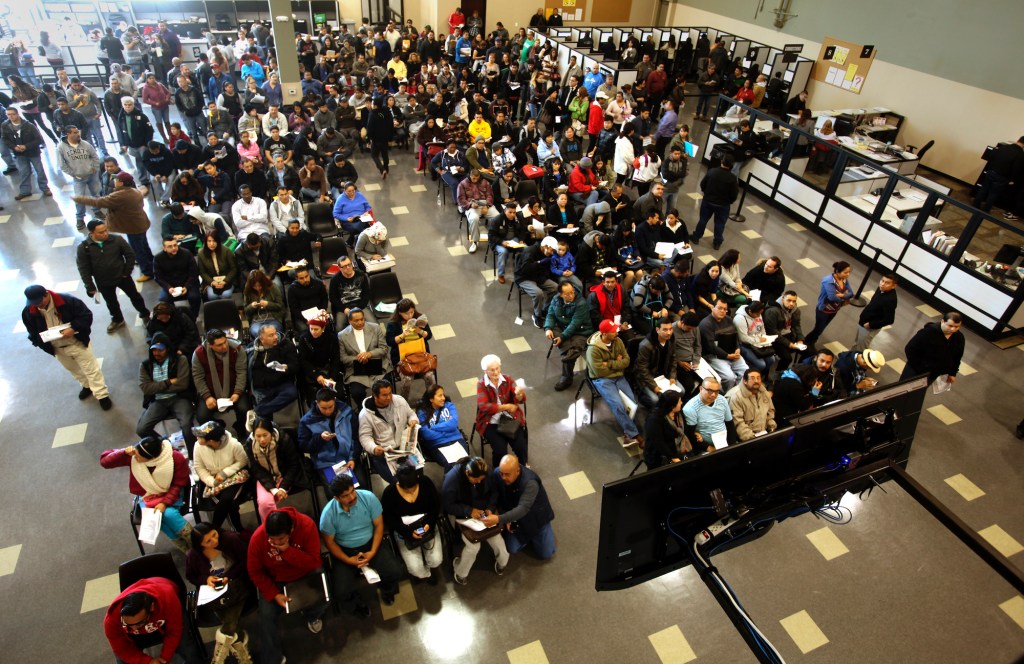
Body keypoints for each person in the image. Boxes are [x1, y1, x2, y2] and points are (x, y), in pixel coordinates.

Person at [247, 508, 329, 663]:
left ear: (291, 530)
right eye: (272, 539)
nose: (276, 543)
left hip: (305, 572)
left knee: (324, 598)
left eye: (281, 539)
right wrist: (274, 594)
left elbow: (314, 561)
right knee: (266, 616)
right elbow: (255, 572)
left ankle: (311, 616)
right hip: (276, 579)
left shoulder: (307, 525)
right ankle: (274, 657)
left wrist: (287, 551)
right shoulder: (258, 538)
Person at [320, 473, 405, 611]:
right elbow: (330, 543)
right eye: (345, 496)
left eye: (352, 491)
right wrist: (348, 560)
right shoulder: (328, 515)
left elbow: (379, 526)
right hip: (345, 549)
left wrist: (372, 552)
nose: (352, 497)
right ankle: (356, 604)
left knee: (395, 571)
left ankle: (387, 590)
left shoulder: (368, 498)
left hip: (370, 543)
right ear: (336, 498)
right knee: (341, 592)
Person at [22, 284, 112, 409]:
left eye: (39, 301)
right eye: (34, 303)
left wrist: (73, 328)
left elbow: (86, 315)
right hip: (57, 348)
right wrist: (40, 342)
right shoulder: (29, 311)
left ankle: (102, 395)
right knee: (74, 369)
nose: (38, 305)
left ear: (46, 294)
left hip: (77, 342)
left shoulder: (67, 301)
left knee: (91, 370)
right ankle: (86, 386)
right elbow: (32, 332)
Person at [100, 437, 192, 551]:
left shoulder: (175, 458)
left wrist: (164, 503)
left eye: (139, 456)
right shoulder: (133, 456)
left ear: (151, 458)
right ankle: (188, 550)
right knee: (157, 518)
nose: (135, 457)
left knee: (169, 515)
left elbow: (178, 484)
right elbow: (104, 462)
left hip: (171, 493)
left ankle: (196, 542)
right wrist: (123, 452)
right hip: (147, 496)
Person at [184, 523, 253, 663]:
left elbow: (245, 561)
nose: (215, 541)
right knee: (230, 620)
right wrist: (206, 579)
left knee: (229, 615)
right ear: (200, 544)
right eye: (208, 541)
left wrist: (230, 576)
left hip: (236, 585)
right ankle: (240, 644)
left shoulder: (231, 540)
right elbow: (190, 576)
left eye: (214, 535)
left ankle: (219, 655)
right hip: (212, 592)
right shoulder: (194, 555)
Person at [72, 170, 155, 283]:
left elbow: (98, 202)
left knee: (137, 250)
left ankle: (147, 272)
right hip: (140, 223)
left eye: (116, 179)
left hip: (132, 227)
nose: (114, 181)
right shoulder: (133, 191)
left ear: (121, 183)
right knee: (144, 246)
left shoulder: (119, 196)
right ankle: (152, 263)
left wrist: (78, 199)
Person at [103, 576, 204, 664]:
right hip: (140, 633)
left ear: (152, 607)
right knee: (122, 658)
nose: (133, 628)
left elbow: (174, 631)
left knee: (187, 646)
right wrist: (147, 661)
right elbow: (122, 649)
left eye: (139, 623)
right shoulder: (111, 620)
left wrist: (164, 659)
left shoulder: (168, 598)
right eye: (128, 624)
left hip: (168, 614)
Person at [76, 221, 150, 332]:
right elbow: (83, 268)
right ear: (91, 233)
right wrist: (89, 286)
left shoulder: (117, 240)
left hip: (123, 277)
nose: (105, 233)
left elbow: (130, 255)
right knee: (111, 302)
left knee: (135, 296)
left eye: (106, 230)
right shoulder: (84, 247)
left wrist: (126, 272)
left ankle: (144, 314)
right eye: (101, 232)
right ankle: (117, 319)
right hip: (103, 281)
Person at [382, 464, 443, 583]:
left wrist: (429, 523)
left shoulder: (425, 483)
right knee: (416, 569)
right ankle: (426, 574)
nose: (411, 491)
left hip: (426, 524)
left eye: (413, 487)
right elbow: (389, 518)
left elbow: (435, 506)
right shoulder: (390, 492)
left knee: (436, 560)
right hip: (404, 530)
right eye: (407, 489)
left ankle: (429, 568)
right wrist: (407, 532)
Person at [586, 319, 643, 446]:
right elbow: (599, 371)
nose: (617, 332)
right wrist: (618, 363)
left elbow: (627, 361)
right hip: (602, 379)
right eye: (613, 331)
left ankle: (629, 432)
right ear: (605, 334)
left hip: (619, 376)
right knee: (618, 406)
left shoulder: (618, 341)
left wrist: (610, 364)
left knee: (632, 404)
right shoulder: (593, 350)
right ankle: (633, 434)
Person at [138, 333, 197, 455]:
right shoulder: (145, 365)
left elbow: (182, 384)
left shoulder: (180, 360)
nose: (156, 353)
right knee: (142, 429)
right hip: (158, 401)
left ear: (168, 349)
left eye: (160, 350)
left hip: (179, 398)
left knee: (186, 426)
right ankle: (166, 444)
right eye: (153, 350)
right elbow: (146, 388)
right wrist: (169, 382)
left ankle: (193, 455)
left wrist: (156, 386)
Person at [358, 378, 422, 483]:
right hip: (383, 453)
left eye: (390, 393)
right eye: (384, 395)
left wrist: (413, 420)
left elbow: (410, 413)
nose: (389, 397)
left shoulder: (400, 400)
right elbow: (364, 437)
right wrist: (373, 448)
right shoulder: (365, 415)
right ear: (375, 395)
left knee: (417, 473)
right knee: (397, 482)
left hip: (404, 447)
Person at [192, 328, 251, 439]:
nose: (224, 346)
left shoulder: (237, 349)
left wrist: (238, 392)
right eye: (219, 345)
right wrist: (207, 396)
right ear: (210, 345)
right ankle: (216, 431)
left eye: (225, 342)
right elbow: (198, 377)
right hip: (210, 392)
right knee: (202, 416)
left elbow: (241, 372)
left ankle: (240, 431)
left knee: (244, 409)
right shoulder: (199, 354)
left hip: (234, 389)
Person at [495, 454, 556, 560]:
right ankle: (529, 537)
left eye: (507, 474)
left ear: (517, 471)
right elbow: (494, 493)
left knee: (546, 554)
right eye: (501, 473)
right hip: (516, 517)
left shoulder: (530, 483)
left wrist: (499, 519)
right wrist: (507, 516)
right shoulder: (498, 473)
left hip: (536, 518)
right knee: (512, 548)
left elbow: (523, 508)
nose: (503, 477)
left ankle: (541, 533)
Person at [247, 418, 306, 522]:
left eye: (265, 435)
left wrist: (282, 488)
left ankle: (275, 528)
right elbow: (256, 469)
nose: (262, 440)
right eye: (258, 436)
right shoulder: (250, 444)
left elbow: (293, 465)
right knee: (265, 503)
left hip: (283, 474)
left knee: (267, 504)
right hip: (265, 477)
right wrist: (273, 489)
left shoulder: (284, 440)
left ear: (271, 432)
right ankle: (271, 530)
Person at [298, 387, 357, 480]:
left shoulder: (347, 412)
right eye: (323, 408)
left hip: (348, 458)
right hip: (326, 463)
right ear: (317, 403)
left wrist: (352, 458)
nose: (327, 411)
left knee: (360, 488)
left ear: (335, 400)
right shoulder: (307, 421)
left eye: (330, 407)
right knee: (339, 491)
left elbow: (356, 437)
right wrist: (320, 439)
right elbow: (304, 447)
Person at [385, 298, 436, 400]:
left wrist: (420, 331)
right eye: (406, 313)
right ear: (400, 313)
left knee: (430, 375)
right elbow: (389, 342)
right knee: (407, 379)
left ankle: (431, 399)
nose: (410, 315)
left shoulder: (419, 319)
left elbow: (429, 335)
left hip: (421, 356)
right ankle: (403, 402)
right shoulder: (393, 324)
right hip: (403, 358)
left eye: (412, 312)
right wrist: (403, 335)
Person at [901, 312, 966, 386]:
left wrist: (952, 373)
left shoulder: (959, 337)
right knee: (901, 390)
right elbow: (910, 349)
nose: (953, 329)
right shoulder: (927, 333)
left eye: (957, 327)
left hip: (933, 374)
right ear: (942, 321)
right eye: (950, 326)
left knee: (918, 393)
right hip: (914, 370)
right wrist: (920, 367)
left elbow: (957, 357)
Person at [250, 324, 300, 419]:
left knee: (291, 393)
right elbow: (252, 371)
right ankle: (263, 419)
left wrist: (286, 367)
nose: (275, 337)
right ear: (262, 339)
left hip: (282, 383)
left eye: (275, 334)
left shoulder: (287, 345)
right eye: (271, 335)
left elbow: (295, 366)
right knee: (264, 418)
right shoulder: (253, 350)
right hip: (263, 386)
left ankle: (258, 412)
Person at [416, 385, 471, 470]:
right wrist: (447, 428)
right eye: (440, 395)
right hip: (437, 444)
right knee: (450, 466)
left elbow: (453, 424)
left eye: (443, 395)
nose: (443, 398)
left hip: (456, 439)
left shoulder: (449, 406)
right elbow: (426, 434)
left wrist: (434, 427)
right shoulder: (422, 412)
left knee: (465, 463)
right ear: (431, 399)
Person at [58, 126, 103, 228]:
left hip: (92, 175)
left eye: (78, 132)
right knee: (79, 198)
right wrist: (73, 174)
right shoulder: (61, 147)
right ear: (68, 134)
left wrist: (95, 168)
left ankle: (97, 210)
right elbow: (62, 164)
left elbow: (95, 156)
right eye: (74, 132)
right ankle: (80, 218)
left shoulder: (86, 144)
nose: (78, 134)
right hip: (78, 178)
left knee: (96, 194)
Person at [700, 299, 749, 392]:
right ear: (712, 308)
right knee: (729, 377)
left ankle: (738, 394)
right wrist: (727, 356)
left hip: (732, 352)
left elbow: (735, 336)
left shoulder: (729, 319)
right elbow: (710, 347)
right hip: (715, 356)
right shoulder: (705, 324)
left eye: (725, 309)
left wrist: (738, 348)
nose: (722, 311)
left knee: (746, 372)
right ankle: (728, 396)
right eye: (720, 308)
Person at [2, 107, 51, 200]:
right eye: (8, 114)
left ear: (17, 114)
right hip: (19, 153)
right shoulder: (5, 126)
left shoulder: (29, 125)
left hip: (33, 152)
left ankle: (45, 188)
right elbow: (5, 139)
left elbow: (39, 139)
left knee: (39, 170)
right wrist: (14, 147)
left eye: (12, 114)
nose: (10, 116)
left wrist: (26, 146)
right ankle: (25, 191)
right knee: (24, 172)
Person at [692, 154, 739, 250]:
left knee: (703, 220)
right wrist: (729, 201)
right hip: (723, 205)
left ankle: (696, 237)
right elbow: (734, 194)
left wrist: (706, 193)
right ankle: (717, 242)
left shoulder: (712, 172)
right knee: (719, 224)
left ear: (721, 162)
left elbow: (702, 184)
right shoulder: (732, 178)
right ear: (731, 165)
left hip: (708, 201)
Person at [804, 261, 853, 347]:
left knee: (822, 328)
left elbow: (851, 293)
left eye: (849, 272)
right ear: (837, 271)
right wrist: (844, 298)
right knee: (818, 329)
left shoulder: (844, 280)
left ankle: (812, 342)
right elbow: (832, 297)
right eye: (845, 272)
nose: (848, 274)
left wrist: (842, 295)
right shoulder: (828, 281)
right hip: (823, 309)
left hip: (834, 309)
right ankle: (807, 341)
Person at [682, 377, 736, 453]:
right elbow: (690, 435)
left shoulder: (722, 400)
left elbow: (730, 425)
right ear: (701, 389)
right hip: (705, 448)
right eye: (710, 391)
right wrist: (709, 448)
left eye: (716, 392)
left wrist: (732, 446)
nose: (713, 395)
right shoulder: (690, 408)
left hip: (725, 443)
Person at [515, 236, 560, 328]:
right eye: (551, 250)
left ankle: (544, 310)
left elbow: (545, 269)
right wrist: (539, 262)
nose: (551, 253)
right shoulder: (529, 251)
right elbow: (525, 269)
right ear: (545, 246)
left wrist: (545, 276)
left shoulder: (547, 254)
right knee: (538, 293)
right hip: (524, 277)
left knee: (556, 287)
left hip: (538, 277)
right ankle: (537, 315)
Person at [973, 136, 1024, 216]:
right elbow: (1016, 168)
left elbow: (991, 156)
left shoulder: (1004, 147)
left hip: (991, 170)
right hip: (1002, 176)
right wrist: (1012, 180)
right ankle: (986, 210)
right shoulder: (1020, 154)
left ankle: (975, 204)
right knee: (993, 193)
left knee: (984, 188)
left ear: (1018, 140)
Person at [635, 317, 678, 408]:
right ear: (658, 330)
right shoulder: (645, 345)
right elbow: (642, 369)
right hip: (648, 378)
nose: (669, 332)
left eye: (670, 329)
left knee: (681, 391)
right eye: (665, 330)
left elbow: (673, 360)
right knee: (655, 400)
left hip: (664, 376)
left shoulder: (671, 340)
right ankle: (642, 397)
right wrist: (653, 386)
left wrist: (672, 377)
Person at [154, 237, 201, 318]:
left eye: (175, 245)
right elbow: (158, 277)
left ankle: (193, 316)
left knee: (195, 297)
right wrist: (168, 287)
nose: (174, 248)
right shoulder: (158, 258)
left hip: (187, 283)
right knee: (164, 299)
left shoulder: (186, 253)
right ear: (164, 248)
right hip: (170, 285)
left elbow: (194, 273)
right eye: (170, 246)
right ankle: (174, 316)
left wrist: (186, 286)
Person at [643, 391, 692, 469]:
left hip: (677, 448)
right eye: (679, 402)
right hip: (659, 456)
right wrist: (673, 457)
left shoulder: (678, 413)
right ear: (672, 406)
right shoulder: (654, 420)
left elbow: (683, 429)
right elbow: (659, 442)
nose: (682, 403)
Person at [726, 369, 777, 441]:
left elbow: (770, 412)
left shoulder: (764, 392)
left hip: (764, 434)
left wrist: (771, 427)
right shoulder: (735, 397)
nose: (756, 381)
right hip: (747, 439)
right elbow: (738, 423)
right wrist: (753, 440)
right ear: (745, 381)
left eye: (758, 378)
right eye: (752, 378)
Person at [763, 290, 807, 373]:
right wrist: (789, 344)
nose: (791, 304)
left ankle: (798, 371)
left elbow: (796, 325)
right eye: (789, 300)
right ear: (783, 299)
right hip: (775, 338)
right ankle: (778, 375)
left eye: (794, 301)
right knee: (787, 358)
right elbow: (772, 332)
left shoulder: (795, 310)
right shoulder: (772, 311)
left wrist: (800, 340)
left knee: (808, 351)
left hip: (789, 334)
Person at [853, 274, 899, 352]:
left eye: (887, 283)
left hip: (869, 328)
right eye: (882, 281)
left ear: (894, 286)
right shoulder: (881, 289)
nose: (883, 284)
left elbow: (890, 319)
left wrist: (871, 324)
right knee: (857, 342)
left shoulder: (890, 300)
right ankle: (849, 358)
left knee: (861, 349)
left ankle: (856, 362)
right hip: (863, 321)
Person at [457, 168, 498, 254]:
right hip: (471, 205)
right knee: (474, 219)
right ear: (470, 176)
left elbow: (490, 195)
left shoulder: (485, 182)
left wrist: (486, 205)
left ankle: (496, 239)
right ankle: (475, 242)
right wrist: (470, 205)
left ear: (479, 176)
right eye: (473, 178)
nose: (475, 180)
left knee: (497, 217)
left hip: (485, 204)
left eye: (477, 178)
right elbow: (461, 200)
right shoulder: (462, 184)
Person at [734, 300, 776, 377]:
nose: (758, 316)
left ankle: (760, 376)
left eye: (760, 313)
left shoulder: (758, 313)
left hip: (759, 343)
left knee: (772, 360)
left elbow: (762, 328)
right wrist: (757, 340)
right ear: (750, 311)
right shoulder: (740, 319)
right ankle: (750, 377)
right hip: (746, 345)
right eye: (757, 314)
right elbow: (743, 338)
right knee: (761, 364)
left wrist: (764, 337)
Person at [197, 232, 238, 301]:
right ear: (206, 242)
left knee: (226, 295)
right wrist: (212, 282)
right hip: (211, 281)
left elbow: (234, 269)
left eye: (214, 241)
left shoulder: (227, 251)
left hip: (227, 280)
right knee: (212, 296)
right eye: (209, 241)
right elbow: (202, 272)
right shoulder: (201, 254)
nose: (211, 244)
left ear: (218, 241)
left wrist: (225, 281)